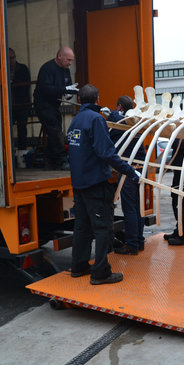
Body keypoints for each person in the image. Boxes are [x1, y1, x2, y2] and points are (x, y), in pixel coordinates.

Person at [67, 84, 140, 285]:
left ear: (80, 100)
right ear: (98, 99)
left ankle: (79, 266)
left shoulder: (75, 121)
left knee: (82, 226)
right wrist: (130, 171)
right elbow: (106, 153)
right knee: (103, 228)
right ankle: (100, 273)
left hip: (79, 184)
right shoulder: (96, 120)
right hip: (94, 183)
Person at [106, 95, 146, 255]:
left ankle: (131, 244)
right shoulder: (138, 122)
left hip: (128, 169)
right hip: (140, 168)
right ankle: (139, 241)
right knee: (138, 208)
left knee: (129, 209)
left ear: (120, 107)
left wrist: (110, 114)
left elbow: (113, 122)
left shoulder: (120, 121)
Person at [34, 46, 78, 170]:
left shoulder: (65, 69)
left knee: (55, 129)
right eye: (68, 60)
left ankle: (50, 162)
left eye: (71, 61)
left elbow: (67, 85)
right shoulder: (47, 68)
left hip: (55, 104)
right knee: (55, 130)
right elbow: (45, 89)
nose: (70, 63)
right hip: (43, 104)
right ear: (60, 56)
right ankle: (62, 160)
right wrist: (65, 89)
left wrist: (70, 93)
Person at [9, 48, 31, 150]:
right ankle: (9, 154)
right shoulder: (4, 70)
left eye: (13, 57)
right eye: (9, 58)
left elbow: (26, 86)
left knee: (22, 130)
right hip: (9, 105)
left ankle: (22, 153)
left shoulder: (23, 69)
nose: (11, 60)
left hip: (22, 104)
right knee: (7, 130)